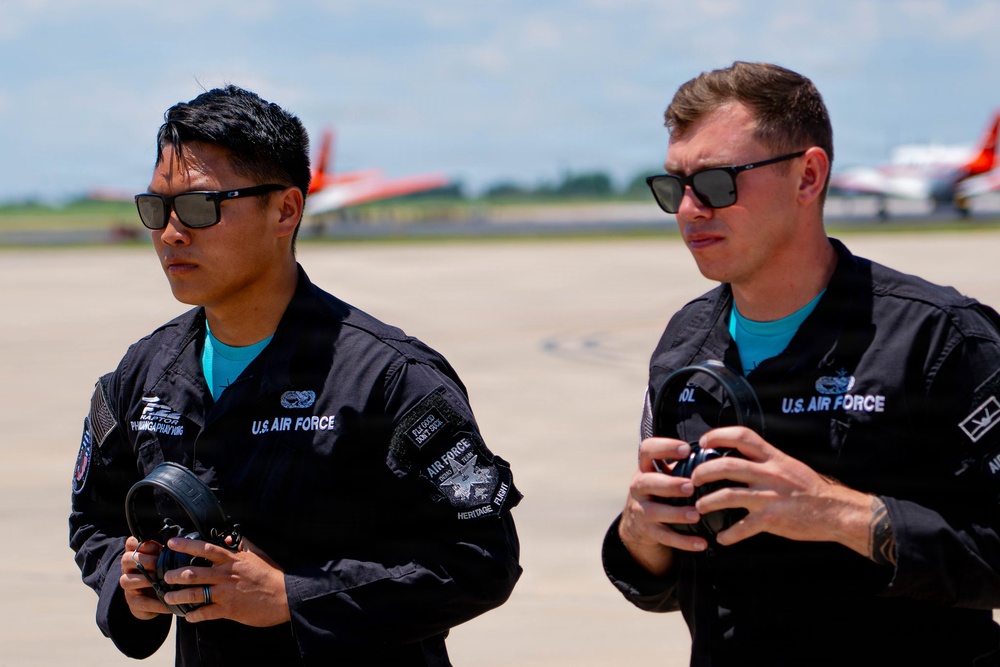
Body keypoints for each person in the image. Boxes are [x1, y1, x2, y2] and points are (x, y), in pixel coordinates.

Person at [70, 85, 522, 666]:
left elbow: (481, 558)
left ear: (285, 210)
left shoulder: (390, 380)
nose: (171, 233)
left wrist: (292, 596)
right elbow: (94, 518)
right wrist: (128, 582)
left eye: (201, 207)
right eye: (156, 208)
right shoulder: (142, 375)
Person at [602, 61, 1000, 665]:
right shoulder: (685, 344)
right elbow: (672, 582)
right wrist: (639, 535)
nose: (689, 209)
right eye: (674, 186)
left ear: (808, 177)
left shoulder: (939, 337)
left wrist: (841, 513)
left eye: (715, 183)